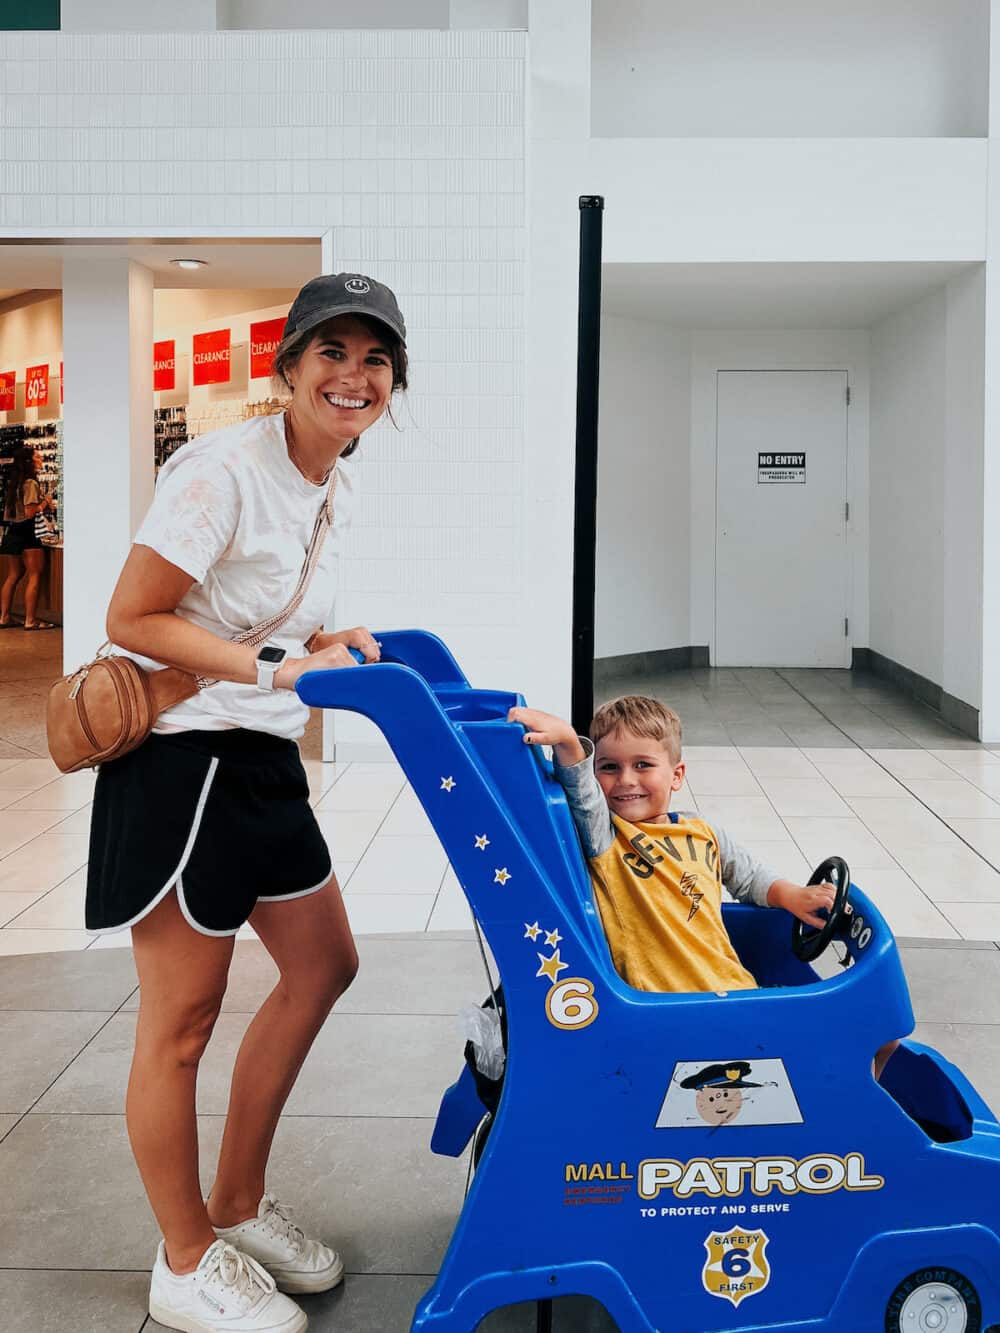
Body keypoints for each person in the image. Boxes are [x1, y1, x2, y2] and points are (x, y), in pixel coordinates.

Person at [87, 273, 408, 1333]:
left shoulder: (338, 484)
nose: (352, 377)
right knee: (179, 1022)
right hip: (181, 765)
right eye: (332, 354)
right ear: (289, 369)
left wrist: (322, 648)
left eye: (373, 359)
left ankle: (235, 1203)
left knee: (324, 965)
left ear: (393, 382)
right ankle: (184, 1259)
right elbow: (133, 615)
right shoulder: (222, 466)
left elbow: (261, 619)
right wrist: (273, 666)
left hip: (263, 761)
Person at [508, 695, 898, 1077]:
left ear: (676, 775)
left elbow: (748, 876)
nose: (626, 780)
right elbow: (584, 799)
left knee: (881, 1032)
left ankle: (861, 1103)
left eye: (643, 765)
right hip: (675, 1010)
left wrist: (791, 895)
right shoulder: (609, 840)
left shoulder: (700, 830)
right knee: (855, 1036)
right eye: (609, 767)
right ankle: (845, 1111)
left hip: (732, 991)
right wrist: (570, 746)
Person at [0, 444, 57, 629]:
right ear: (29, 462)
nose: (41, 460)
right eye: (38, 458)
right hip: (28, 534)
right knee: (34, 574)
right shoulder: (31, 483)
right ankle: (30, 620)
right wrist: (45, 503)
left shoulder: (14, 483)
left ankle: (4, 617)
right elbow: (31, 512)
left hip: (13, 533)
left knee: (13, 575)